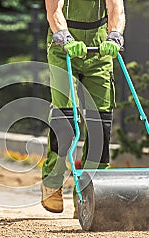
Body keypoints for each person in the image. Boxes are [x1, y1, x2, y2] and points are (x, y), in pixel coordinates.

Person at [41, 0, 126, 217]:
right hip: (63, 47)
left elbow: (116, 8)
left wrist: (114, 36)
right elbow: (54, 11)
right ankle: (52, 181)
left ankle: (90, 192)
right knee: (66, 119)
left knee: (100, 123)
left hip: (99, 49)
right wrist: (65, 37)